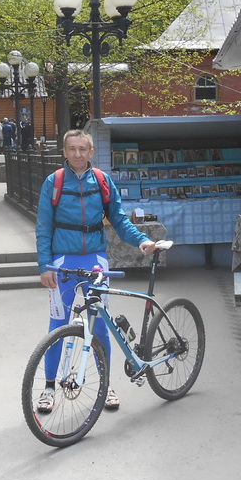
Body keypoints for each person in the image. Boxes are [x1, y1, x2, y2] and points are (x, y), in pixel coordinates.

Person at [35, 129, 157, 412]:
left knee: (100, 325)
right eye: (72, 149)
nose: (77, 154)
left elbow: (119, 220)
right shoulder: (54, 182)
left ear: (91, 152)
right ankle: (49, 387)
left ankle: (106, 384)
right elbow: (43, 227)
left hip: (95, 263)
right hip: (62, 263)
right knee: (57, 326)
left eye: (83, 149)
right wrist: (44, 266)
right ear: (64, 152)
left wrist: (141, 240)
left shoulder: (102, 181)